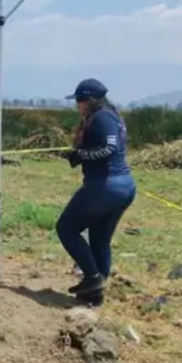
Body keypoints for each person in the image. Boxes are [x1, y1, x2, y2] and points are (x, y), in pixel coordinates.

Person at [54, 78, 136, 300]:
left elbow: (109, 148)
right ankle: (95, 293)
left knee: (66, 228)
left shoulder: (102, 117)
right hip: (122, 186)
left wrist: (81, 155)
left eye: (79, 100)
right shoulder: (111, 115)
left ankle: (92, 276)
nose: (77, 105)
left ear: (90, 100)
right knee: (99, 239)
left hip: (105, 185)